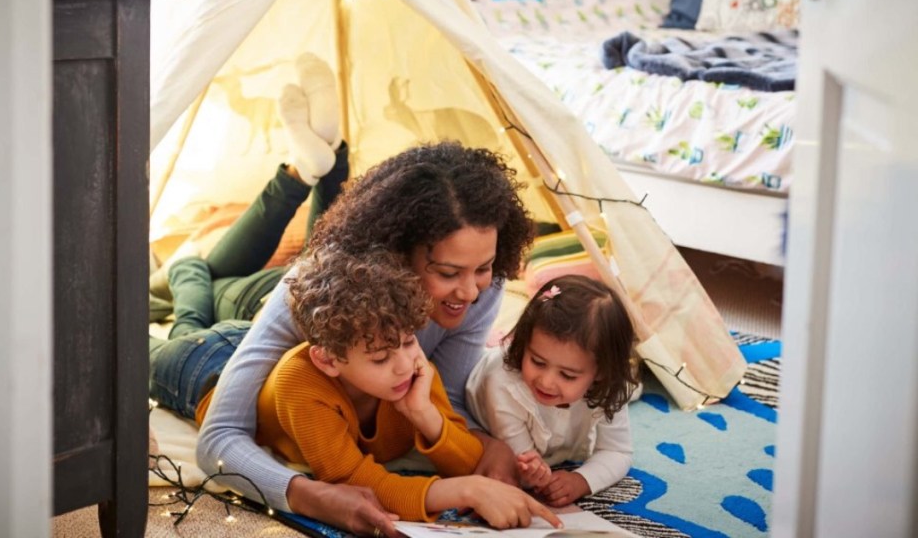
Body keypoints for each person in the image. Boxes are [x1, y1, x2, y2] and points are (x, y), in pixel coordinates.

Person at [196, 142, 536, 535]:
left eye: (484, 267)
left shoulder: (481, 290)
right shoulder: (305, 289)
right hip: (217, 351)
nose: (471, 292)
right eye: (447, 273)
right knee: (192, 307)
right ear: (394, 253)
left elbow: (447, 399)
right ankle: (190, 271)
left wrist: (485, 442)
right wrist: (307, 494)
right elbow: (217, 439)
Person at [249, 244, 561, 529]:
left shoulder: (414, 370)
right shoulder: (301, 383)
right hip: (210, 361)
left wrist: (425, 414)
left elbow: (470, 462)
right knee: (200, 298)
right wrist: (466, 490)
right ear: (328, 361)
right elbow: (351, 480)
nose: (404, 365)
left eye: (409, 341)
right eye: (380, 358)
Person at [148, 52, 349, 422]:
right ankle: (305, 169)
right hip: (274, 297)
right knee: (196, 269)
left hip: (274, 294)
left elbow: (190, 270)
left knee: (327, 254)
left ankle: (323, 162)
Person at [465, 274, 638, 508]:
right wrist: (532, 470)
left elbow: (618, 451)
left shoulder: (610, 387)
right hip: (482, 402)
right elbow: (521, 463)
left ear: (601, 372)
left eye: (567, 375)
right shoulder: (502, 383)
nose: (546, 382)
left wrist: (582, 480)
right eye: (537, 361)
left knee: (628, 389)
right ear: (524, 344)